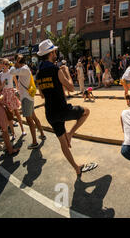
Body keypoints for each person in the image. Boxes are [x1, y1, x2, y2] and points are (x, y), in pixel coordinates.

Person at [35, 40, 95, 176]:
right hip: (62, 110)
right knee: (86, 112)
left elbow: (43, 95)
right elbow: (71, 88)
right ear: (51, 53)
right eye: (54, 51)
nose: (56, 53)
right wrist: (66, 72)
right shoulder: (56, 69)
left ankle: (76, 167)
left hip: (50, 113)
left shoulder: (38, 73)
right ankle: (71, 133)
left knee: (63, 143)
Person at [10, 54, 46, 149]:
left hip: (26, 98)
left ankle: (34, 142)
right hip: (27, 97)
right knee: (34, 117)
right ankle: (42, 134)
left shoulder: (23, 69)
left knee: (30, 120)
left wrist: (14, 65)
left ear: (18, 61)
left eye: (16, 60)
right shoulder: (25, 68)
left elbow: (11, 71)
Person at [0, 64, 18, 155]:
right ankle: (10, 149)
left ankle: (8, 147)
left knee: (3, 129)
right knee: (5, 130)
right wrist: (3, 95)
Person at [0, 59, 25, 136]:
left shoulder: (11, 72)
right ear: (2, 64)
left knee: (17, 113)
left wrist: (18, 91)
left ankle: (22, 130)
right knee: (9, 115)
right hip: (5, 95)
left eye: (7, 63)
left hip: (11, 94)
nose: (6, 65)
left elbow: (16, 83)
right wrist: (3, 85)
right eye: (4, 63)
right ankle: (13, 133)